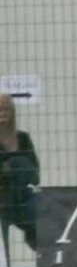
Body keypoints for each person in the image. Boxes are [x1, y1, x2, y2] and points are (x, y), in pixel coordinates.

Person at [0, 92, 40, 255]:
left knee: (43, 209)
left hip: (21, 198)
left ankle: (50, 262)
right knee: (19, 163)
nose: (2, 113)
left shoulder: (22, 138)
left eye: (6, 110)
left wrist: (10, 168)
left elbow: (34, 170)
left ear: (12, 113)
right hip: (2, 199)